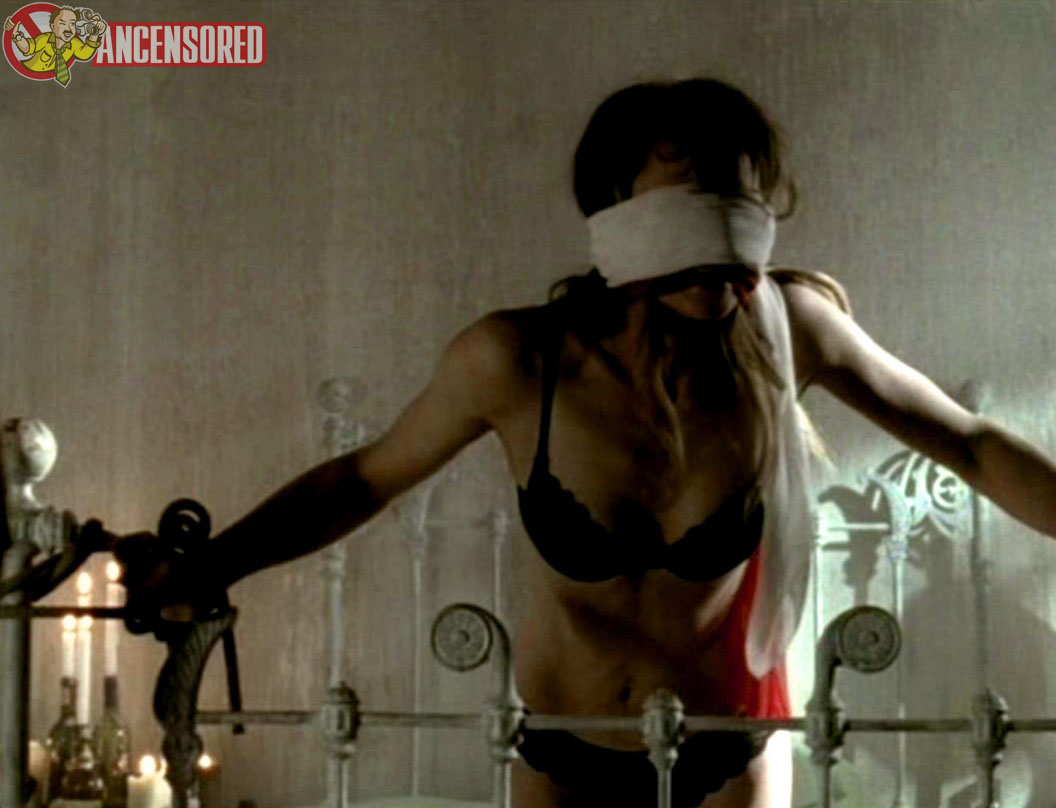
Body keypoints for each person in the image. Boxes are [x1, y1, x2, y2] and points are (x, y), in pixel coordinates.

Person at [117, 79, 1056, 808]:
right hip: (562, 746)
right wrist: (214, 564)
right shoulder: (518, 361)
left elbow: (970, 444)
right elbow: (364, 479)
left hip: (727, 745)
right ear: (616, 211)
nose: (723, 235)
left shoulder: (788, 333)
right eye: (690, 198)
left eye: (738, 199)